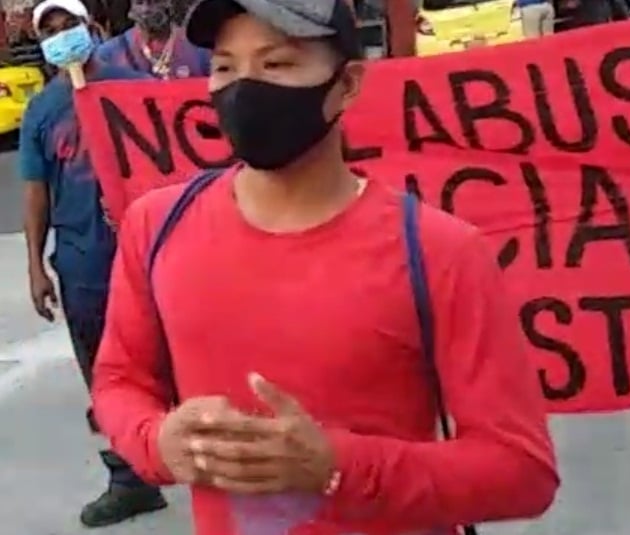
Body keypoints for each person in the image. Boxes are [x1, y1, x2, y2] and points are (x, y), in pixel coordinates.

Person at [92, 0, 559, 533]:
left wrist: (338, 465)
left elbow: (523, 473)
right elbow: (119, 380)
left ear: (350, 84)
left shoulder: (439, 251)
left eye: (277, 65)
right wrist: (157, 442)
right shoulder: (156, 225)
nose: (245, 88)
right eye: (225, 67)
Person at [18, 0, 168, 527]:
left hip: (151, 260)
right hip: (83, 268)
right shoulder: (42, 110)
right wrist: (36, 266)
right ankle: (131, 479)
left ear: (93, 28)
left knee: (176, 366)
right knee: (108, 379)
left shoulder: (134, 86)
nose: (62, 37)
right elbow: (35, 192)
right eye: (51, 31)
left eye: (69, 26)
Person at [94, 0, 209, 79]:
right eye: (139, 2)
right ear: (130, 8)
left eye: (154, 2)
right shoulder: (108, 54)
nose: (146, 9)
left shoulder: (199, 47)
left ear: (169, 3)